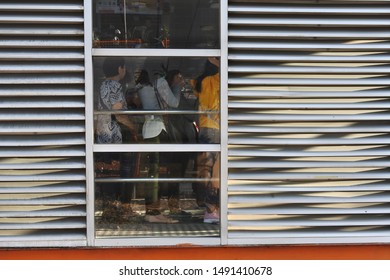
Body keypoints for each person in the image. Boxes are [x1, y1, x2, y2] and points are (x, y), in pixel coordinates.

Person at [136, 69, 180, 223]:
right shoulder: (160, 82)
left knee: (152, 172)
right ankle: (154, 212)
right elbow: (174, 103)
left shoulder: (140, 84)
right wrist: (176, 85)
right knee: (156, 172)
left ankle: (152, 210)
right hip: (158, 128)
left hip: (147, 129)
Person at [95, 57, 138, 205]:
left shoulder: (102, 85)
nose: (124, 70)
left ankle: (109, 204)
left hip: (103, 133)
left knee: (106, 171)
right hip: (113, 134)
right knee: (116, 170)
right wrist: (133, 127)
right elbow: (118, 113)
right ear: (119, 68)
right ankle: (116, 204)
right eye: (124, 67)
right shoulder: (114, 85)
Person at [192, 57, 220, 223]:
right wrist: (218, 63)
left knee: (205, 168)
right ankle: (212, 208)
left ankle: (209, 208)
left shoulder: (198, 82)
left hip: (203, 128)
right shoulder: (215, 79)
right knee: (216, 170)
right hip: (215, 128)